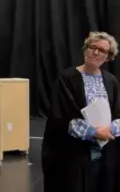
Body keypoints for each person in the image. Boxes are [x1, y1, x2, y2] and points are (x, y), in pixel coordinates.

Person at [41, 31, 120, 192]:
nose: (96, 52)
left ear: (108, 56)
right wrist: (93, 132)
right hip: (74, 151)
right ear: (86, 49)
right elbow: (61, 116)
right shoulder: (68, 78)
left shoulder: (111, 81)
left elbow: (118, 113)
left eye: (102, 50)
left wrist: (109, 130)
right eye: (93, 47)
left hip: (106, 146)